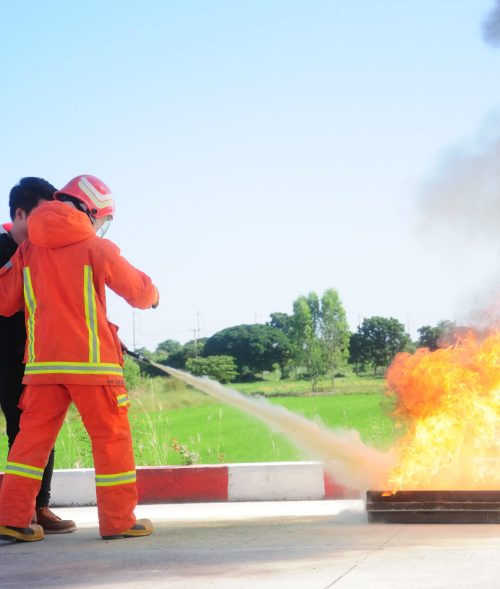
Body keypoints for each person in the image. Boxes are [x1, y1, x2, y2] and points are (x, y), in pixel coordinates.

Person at [0, 174, 159, 542]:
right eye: (101, 219)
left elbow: (5, 301)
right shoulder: (95, 247)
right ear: (90, 211)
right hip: (94, 367)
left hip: (42, 368)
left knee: (29, 443)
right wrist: (154, 297)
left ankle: (11, 518)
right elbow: (138, 291)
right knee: (111, 441)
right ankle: (118, 520)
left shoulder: (27, 250)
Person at [0, 177, 76, 534]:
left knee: (32, 435)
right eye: (43, 216)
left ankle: (37, 508)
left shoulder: (46, 254)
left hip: (27, 362)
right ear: (19, 213)